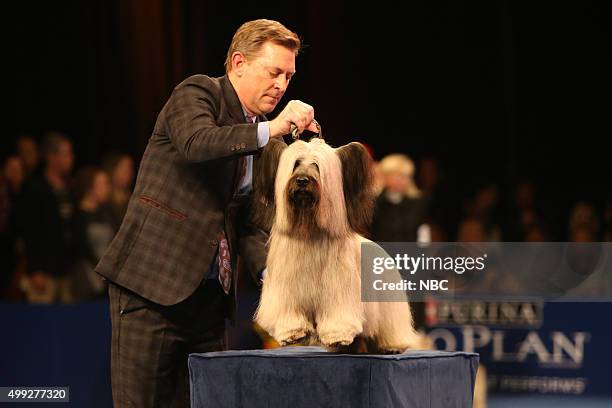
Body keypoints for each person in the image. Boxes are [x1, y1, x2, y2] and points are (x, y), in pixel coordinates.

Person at [95, 19, 317, 407]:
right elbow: (198, 143)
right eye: (274, 72)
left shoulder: (261, 133)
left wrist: (275, 275)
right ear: (238, 63)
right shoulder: (198, 92)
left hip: (210, 302)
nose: (282, 85)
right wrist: (275, 129)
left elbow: (245, 218)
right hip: (152, 290)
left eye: (288, 76)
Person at [20, 132, 76, 303]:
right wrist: (36, 269)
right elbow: (28, 231)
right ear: (51, 158)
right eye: (66, 154)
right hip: (43, 274)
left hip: (66, 271)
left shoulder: (69, 189)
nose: (71, 159)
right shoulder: (35, 189)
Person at [71, 166, 114, 301]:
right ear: (90, 187)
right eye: (103, 184)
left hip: (106, 275)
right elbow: (81, 248)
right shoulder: (78, 216)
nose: (107, 188)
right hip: (87, 277)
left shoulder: (107, 213)